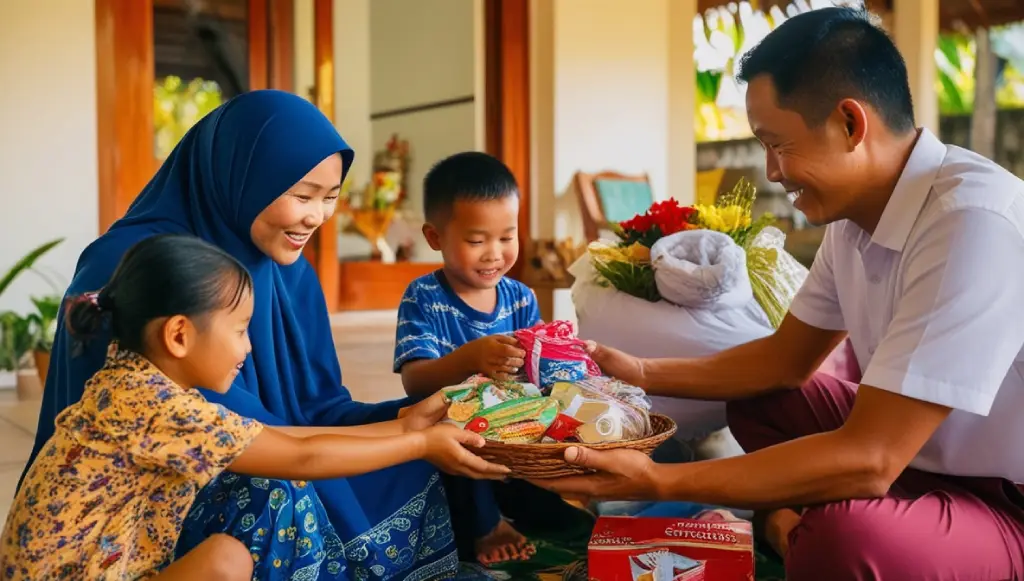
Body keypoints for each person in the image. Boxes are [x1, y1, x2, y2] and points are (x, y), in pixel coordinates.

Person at [533, 7, 1024, 581]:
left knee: (846, 541)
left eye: (778, 145)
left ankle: (796, 526)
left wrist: (658, 480)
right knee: (762, 396)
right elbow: (782, 360)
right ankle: (791, 521)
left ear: (850, 124)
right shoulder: (854, 219)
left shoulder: (973, 221)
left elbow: (871, 458)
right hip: (915, 458)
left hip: (1002, 499)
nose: (771, 172)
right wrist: (635, 370)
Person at [20, 90, 469, 580]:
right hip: (145, 517)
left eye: (330, 198)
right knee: (281, 493)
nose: (316, 216)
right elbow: (283, 450)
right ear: (242, 175)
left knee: (420, 455)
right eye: (302, 195)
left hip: (243, 453)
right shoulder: (137, 268)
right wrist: (410, 438)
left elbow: (315, 410)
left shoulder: (283, 266)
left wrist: (406, 424)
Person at [1, 234, 508, 580]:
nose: (248, 348)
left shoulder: (138, 379)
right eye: (240, 331)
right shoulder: (153, 405)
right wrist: (418, 443)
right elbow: (301, 458)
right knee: (231, 553)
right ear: (179, 334)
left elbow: (282, 441)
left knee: (268, 490)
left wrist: (402, 425)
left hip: (115, 559)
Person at [393, 151, 548, 565]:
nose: (494, 254)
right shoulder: (423, 297)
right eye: (477, 241)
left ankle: (538, 507)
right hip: (459, 429)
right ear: (435, 237)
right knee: (453, 425)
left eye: (507, 236)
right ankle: (485, 526)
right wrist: (471, 358)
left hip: (517, 427)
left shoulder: (522, 297)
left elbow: (538, 373)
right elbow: (416, 382)